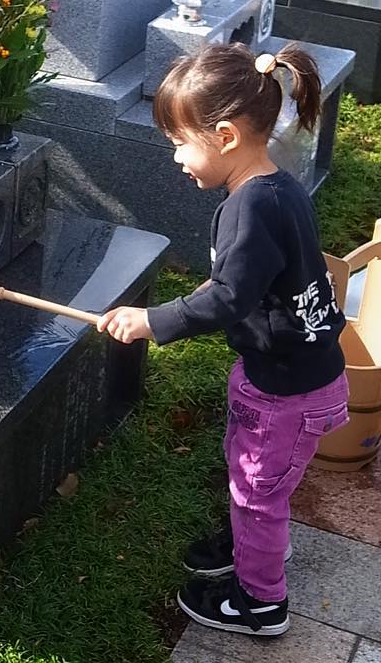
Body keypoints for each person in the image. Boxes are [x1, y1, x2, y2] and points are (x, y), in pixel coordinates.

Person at [98, 43, 349, 639]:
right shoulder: (276, 188)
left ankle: (261, 601)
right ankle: (255, 543)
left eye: (181, 143)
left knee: (257, 488)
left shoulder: (251, 207)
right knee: (255, 479)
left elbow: (229, 298)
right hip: (291, 370)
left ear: (227, 136)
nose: (177, 159)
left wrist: (152, 321)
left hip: (287, 390)